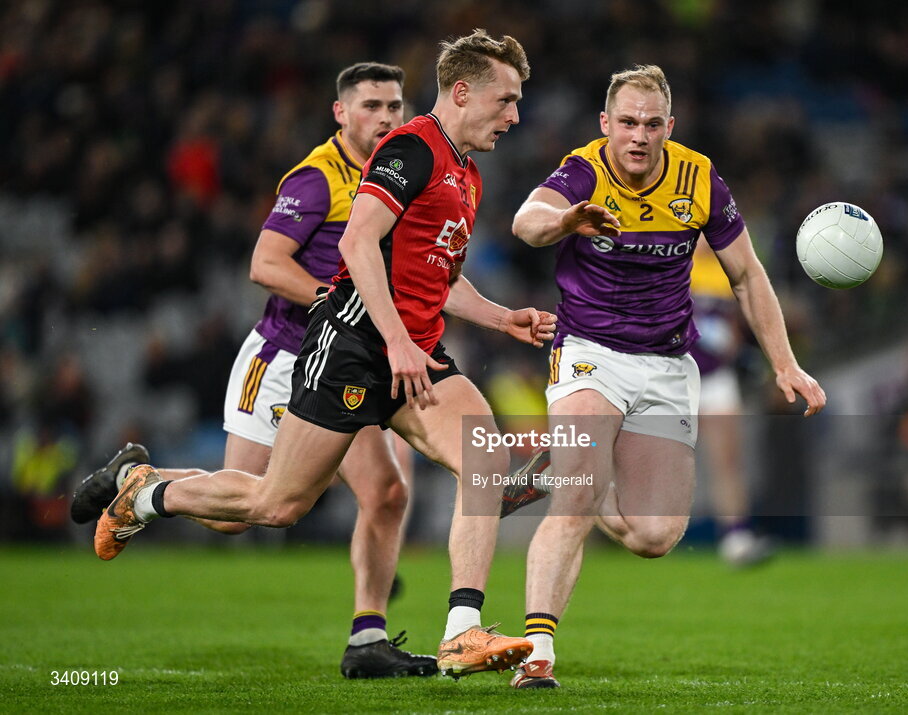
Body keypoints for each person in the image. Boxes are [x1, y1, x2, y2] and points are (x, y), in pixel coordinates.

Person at [93, 30, 554, 680]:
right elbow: (357, 243)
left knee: (486, 463)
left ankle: (461, 631)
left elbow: (440, 276)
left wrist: (503, 316)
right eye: (506, 100)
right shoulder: (412, 148)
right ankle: (146, 492)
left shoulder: (467, 172)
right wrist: (394, 338)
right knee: (275, 505)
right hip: (354, 346)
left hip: (415, 354)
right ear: (462, 91)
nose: (514, 116)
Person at [72, 62, 435, 678]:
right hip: (287, 358)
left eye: (396, 106)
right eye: (372, 105)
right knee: (235, 514)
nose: (387, 118)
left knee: (388, 490)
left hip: (345, 361)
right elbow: (266, 263)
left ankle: (367, 639)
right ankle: (140, 479)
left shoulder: (402, 172)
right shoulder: (317, 178)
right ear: (341, 113)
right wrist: (336, 301)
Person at [503, 65, 826, 688]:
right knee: (574, 500)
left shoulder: (699, 178)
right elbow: (526, 221)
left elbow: (748, 276)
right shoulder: (582, 171)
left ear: (669, 128)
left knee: (654, 535)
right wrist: (569, 221)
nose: (638, 136)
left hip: (667, 366)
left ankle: (563, 465)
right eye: (626, 122)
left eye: (652, 124)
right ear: (605, 125)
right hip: (589, 353)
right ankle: (539, 650)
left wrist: (785, 363)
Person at [689, 241, 776, 567]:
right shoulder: (670, 260)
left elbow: (733, 325)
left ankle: (735, 536)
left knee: (727, 460)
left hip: (715, 376)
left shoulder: (724, 270)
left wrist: (734, 347)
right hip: (672, 374)